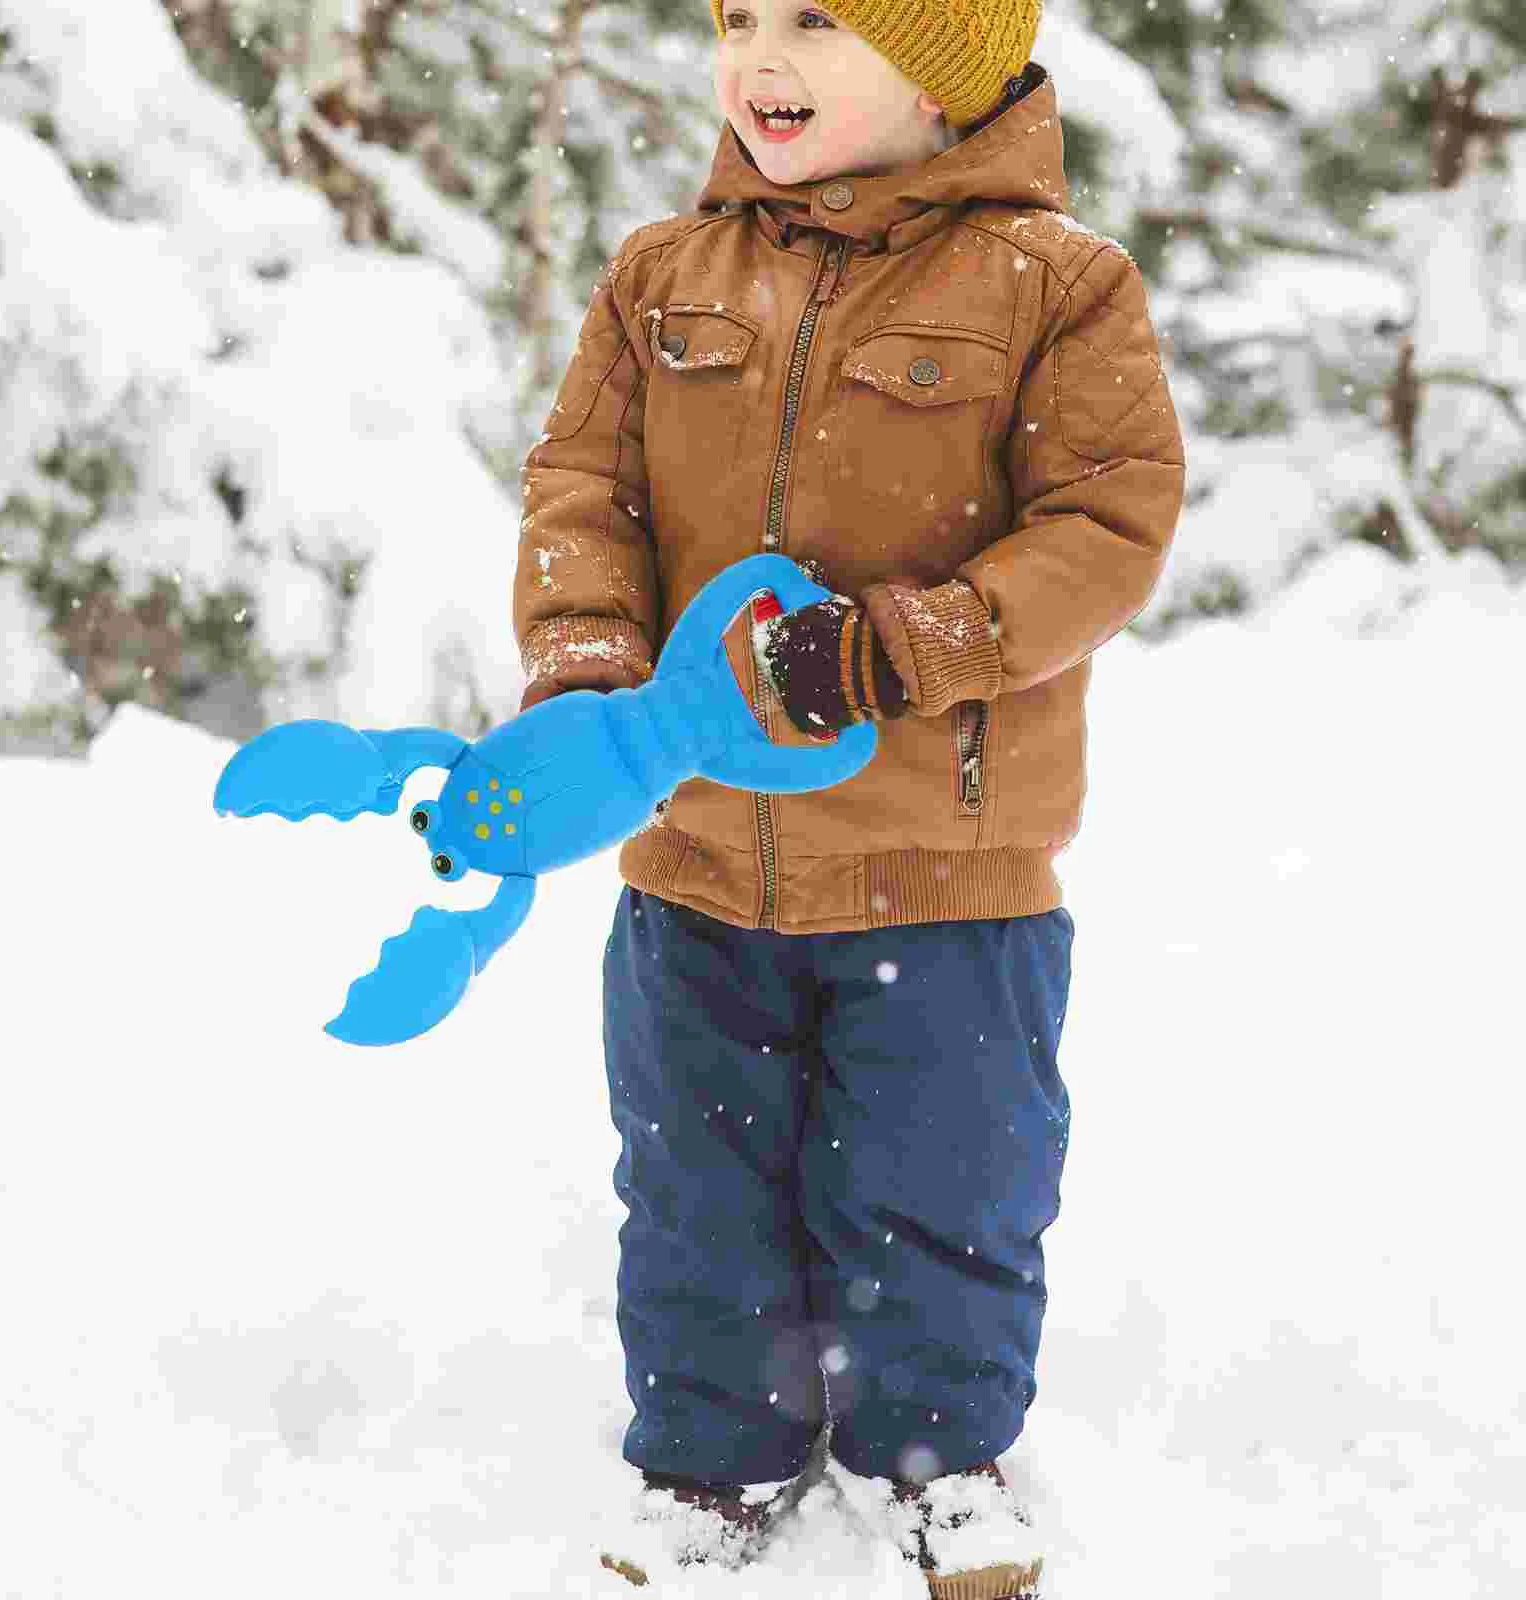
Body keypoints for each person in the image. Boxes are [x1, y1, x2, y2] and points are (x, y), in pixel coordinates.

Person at [512, 0, 1186, 1591]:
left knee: (945, 1181)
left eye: (818, 20)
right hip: (692, 860)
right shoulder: (661, 278)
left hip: (943, 871)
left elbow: (1105, 529)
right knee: (695, 1184)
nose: (762, 59)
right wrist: (592, 663)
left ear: (946, 59)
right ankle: (708, 1460)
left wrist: (893, 650)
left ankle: (939, 1455)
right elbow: (582, 490)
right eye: (739, 17)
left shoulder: (1057, 288)